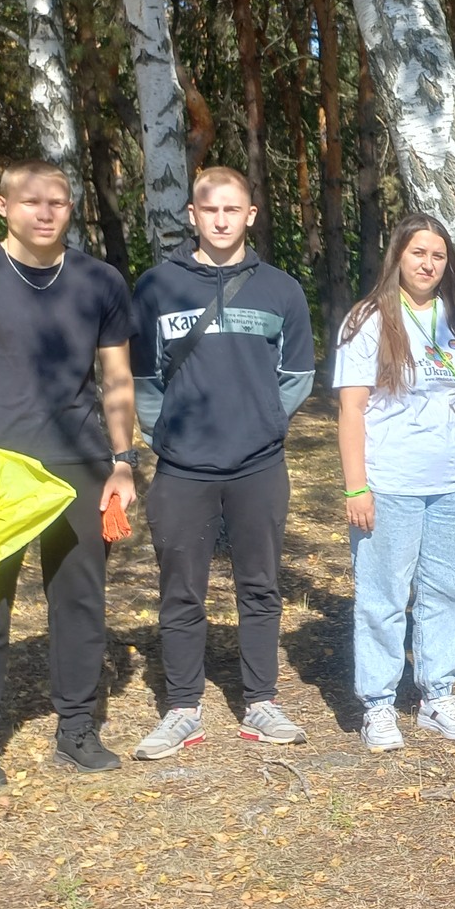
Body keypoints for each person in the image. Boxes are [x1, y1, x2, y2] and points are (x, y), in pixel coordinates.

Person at [0, 159, 137, 788]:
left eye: (59, 202)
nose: (46, 213)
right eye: (32, 202)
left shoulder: (100, 281)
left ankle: (76, 730)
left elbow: (117, 379)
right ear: (3, 205)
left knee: (80, 604)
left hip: (80, 466)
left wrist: (123, 463)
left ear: (72, 209)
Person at [128, 167, 316, 760]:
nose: (220, 219)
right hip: (182, 469)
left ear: (251, 215)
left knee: (259, 587)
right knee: (181, 592)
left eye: (232, 209)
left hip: (258, 466)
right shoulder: (157, 286)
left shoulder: (281, 290)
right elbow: (141, 376)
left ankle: (260, 702)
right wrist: (168, 435)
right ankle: (182, 708)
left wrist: (261, 425)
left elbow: (299, 375)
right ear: (192, 215)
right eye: (210, 209)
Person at [335, 214, 455, 750]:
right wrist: (355, 487)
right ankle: (379, 705)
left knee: (450, 592)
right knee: (383, 595)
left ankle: (437, 695)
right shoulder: (367, 320)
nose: (428, 264)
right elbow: (350, 410)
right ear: (398, 257)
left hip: (454, 481)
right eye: (418, 253)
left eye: (438, 255)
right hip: (389, 483)